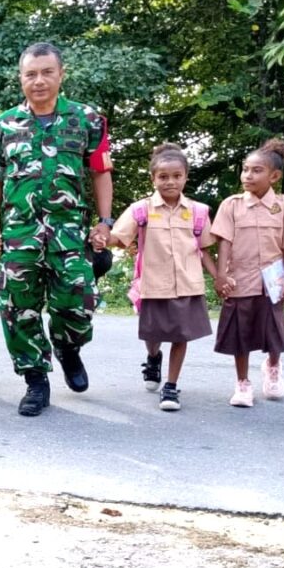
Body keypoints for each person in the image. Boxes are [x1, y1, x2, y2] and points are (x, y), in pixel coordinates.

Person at [0, 42, 114, 417]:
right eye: (30, 74)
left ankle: (68, 347)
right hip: (19, 232)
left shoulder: (87, 119)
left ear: (61, 74)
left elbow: (101, 172)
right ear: (21, 79)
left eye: (46, 72)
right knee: (14, 302)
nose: (38, 81)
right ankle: (36, 379)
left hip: (69, 232)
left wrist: (105, 222)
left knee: (79, 300)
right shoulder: (3, 125)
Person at [109, 143, 219, 411]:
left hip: (188, 284)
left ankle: (170, 386)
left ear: (185, 177)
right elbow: (119, 238)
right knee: (153, 334)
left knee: (181, 335)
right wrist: (102, 237)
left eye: (176, 176)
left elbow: (204, 250)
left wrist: (219, 277)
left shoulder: (198, 211)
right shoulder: (141, 209)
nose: (170, 182)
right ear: (153, 179)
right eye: (163, 176)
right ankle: (153, 356)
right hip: (153, 285)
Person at [211, 138, 284, 407]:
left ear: (274, 176)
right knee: (240, 331)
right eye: (245, 169)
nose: (248, 175)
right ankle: (242, 383)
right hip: (239, 277)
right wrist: (221, 276)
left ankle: (273, 367)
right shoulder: (231, 205)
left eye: (256, 170)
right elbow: (224, 243)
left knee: (273, 329)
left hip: (272, 279)